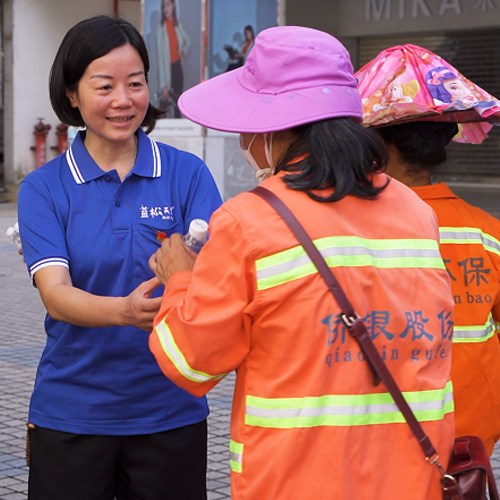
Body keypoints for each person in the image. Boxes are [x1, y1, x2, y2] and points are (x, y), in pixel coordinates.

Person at [148, 26, 455, 500]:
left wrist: (180, 280)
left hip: (293, 479)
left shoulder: (249, 221)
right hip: (411, 477)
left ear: (275, 129)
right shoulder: (417, 212)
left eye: (248, 124)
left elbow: (191, 364)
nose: (243, 139)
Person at [17, 15, 222, 500]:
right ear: (71, 94)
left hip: (171, 410)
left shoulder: (187, 175)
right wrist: (125, 312)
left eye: (135, 83)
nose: (123, 100)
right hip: (72, 414)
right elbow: (56, 295)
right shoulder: (44, 188)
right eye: (104, 86)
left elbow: (215, 278)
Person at [356, 43, 500, 455]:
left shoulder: (351, 230)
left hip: (388, 438)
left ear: (380, 147)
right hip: (471, 442)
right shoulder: (487, 231)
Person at [149, 0, 190, 117]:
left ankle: (180, 131)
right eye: (163, 6)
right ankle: (161, 130)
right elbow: (161, 58)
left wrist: (182, 50)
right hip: (167, 69)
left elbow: (187, 41)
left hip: (178, 67)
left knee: (178, 102)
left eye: (167, 5)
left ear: (173, 5)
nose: (165, 9)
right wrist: (163, 85)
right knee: (165, 102)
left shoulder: (178, 25)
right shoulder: (160, 28)